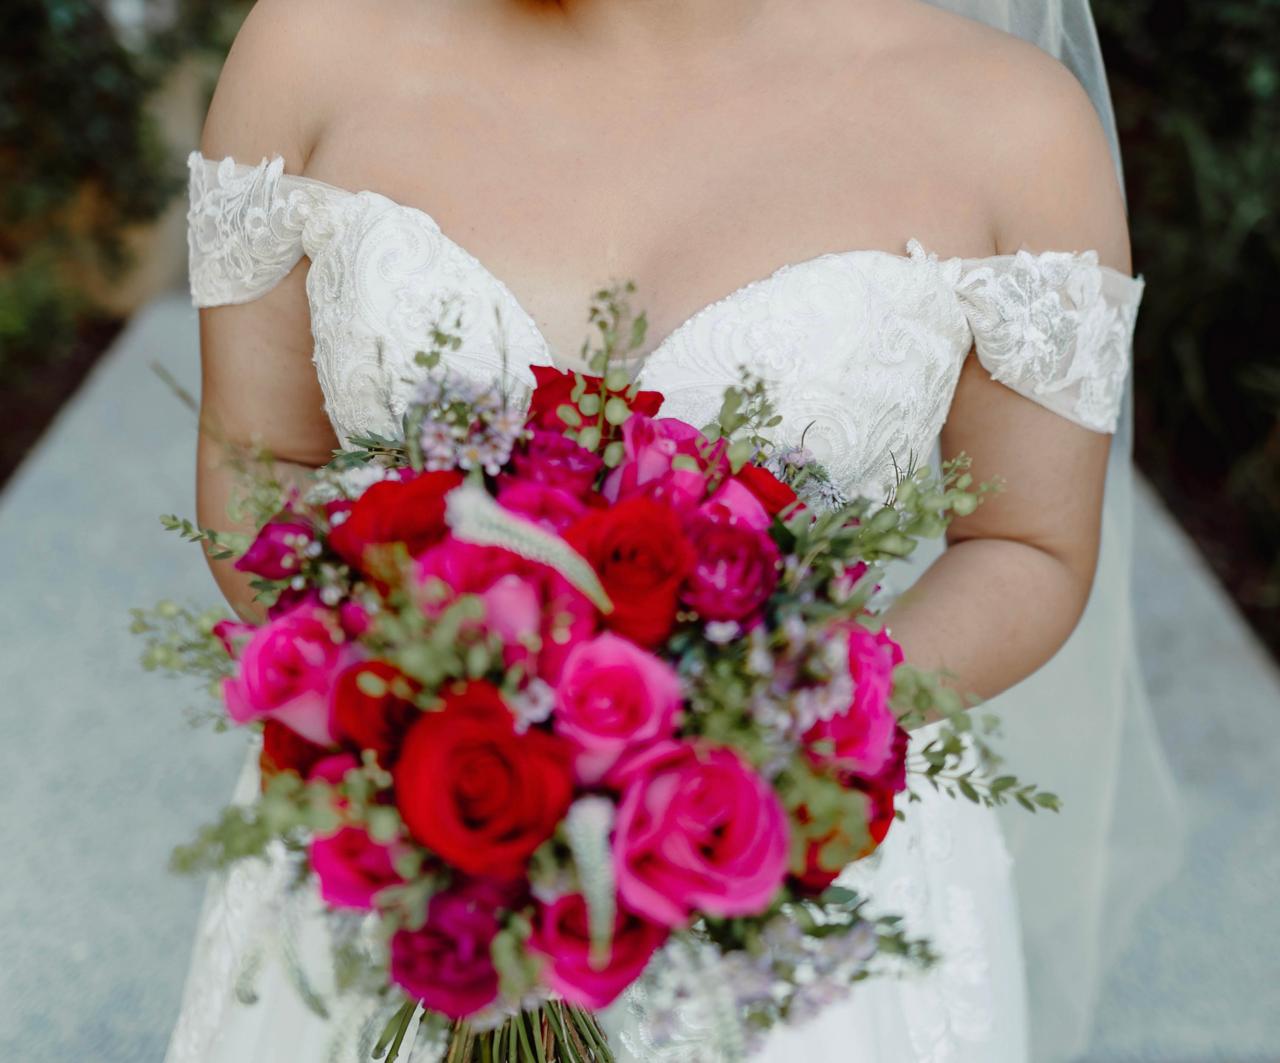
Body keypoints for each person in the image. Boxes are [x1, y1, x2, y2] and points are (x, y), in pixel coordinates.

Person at [171, 0, 1163, 1059]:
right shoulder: (313, 42)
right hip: (402, 835)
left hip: (777, 873)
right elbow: (263, 460)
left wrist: (752, 737)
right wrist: (414, 713)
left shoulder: (1011, 126)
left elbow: (1027, 546)